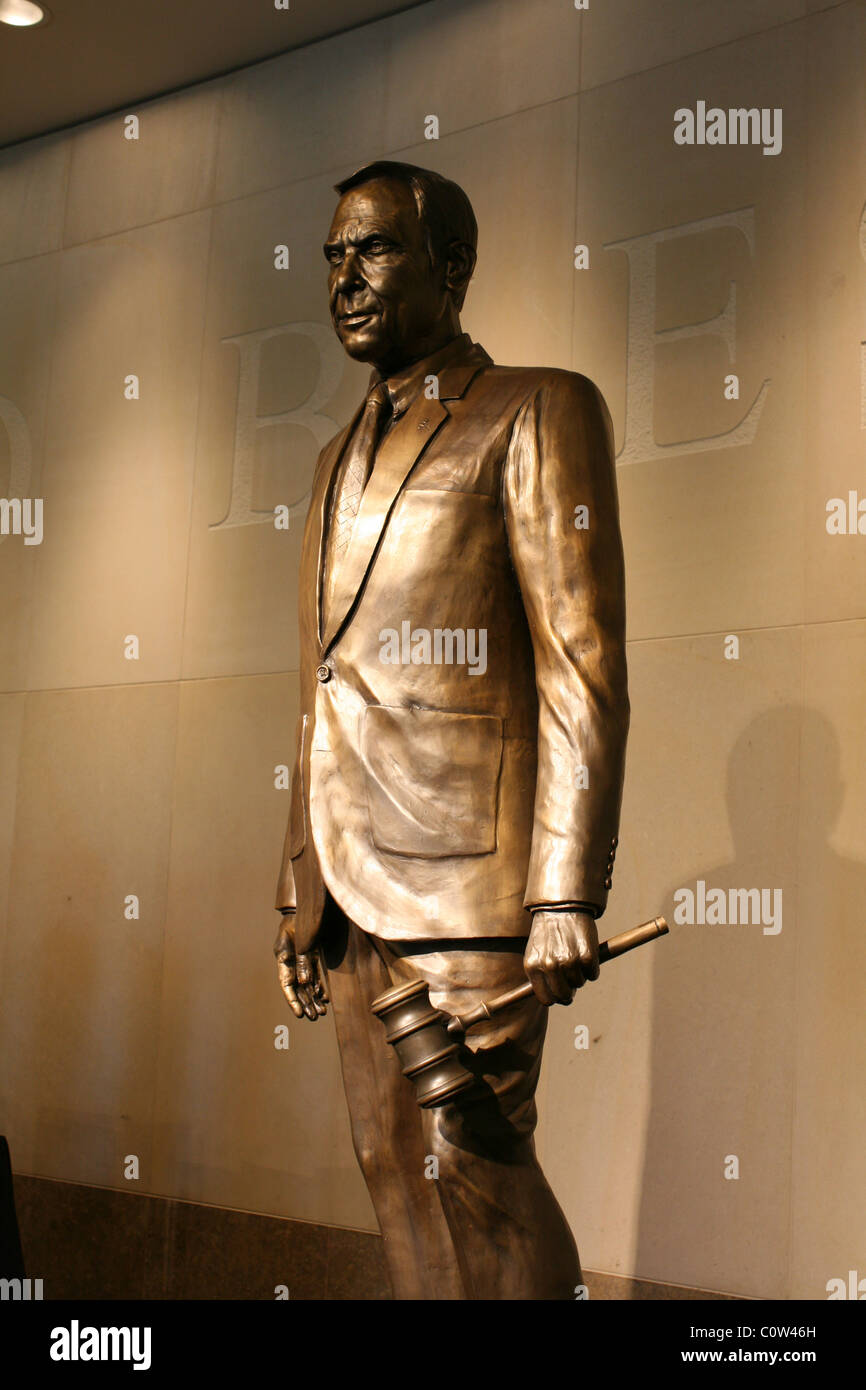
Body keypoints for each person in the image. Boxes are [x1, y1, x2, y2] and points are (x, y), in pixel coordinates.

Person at [273, 160, 629, 1300]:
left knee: (479, 1167)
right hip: (344, 888)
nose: (344, 278)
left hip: (472, 883)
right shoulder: (331, 461)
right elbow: (321, 686)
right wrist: (297, 883)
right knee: (388, 1164)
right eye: (333, 256)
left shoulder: (536, 406)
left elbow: (581, 664)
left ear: (451, 266)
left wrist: (564, 887)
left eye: (371, 249)